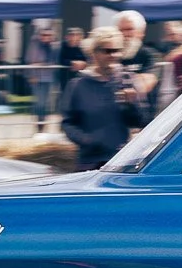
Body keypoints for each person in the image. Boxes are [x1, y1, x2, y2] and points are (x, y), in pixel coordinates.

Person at [59, 27, 144, 170]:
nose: (113, 55)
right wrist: (86, 139)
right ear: (94, 53)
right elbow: (67, 123)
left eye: (117, 50)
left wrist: (131, 105)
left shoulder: (127, 79)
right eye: (107, 51)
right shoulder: (77, 85)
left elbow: (141, 121)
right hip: (89, 161)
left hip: (120, 159)